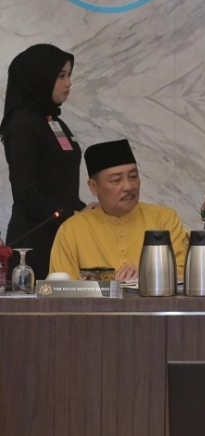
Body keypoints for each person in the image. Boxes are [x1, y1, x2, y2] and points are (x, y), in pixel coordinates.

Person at [1, 44, 87, 278]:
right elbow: (26, 193)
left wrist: (82, 209)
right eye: (61, 76)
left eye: (69, 75)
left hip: (62, 234)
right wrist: (69, 214)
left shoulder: (52, 120)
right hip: (35, 242)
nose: (68, 83)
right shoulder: (22, 125)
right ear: (39, 77)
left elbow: (59, 181)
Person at [49, 139, 188, 280]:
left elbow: (185, 273)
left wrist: (148, 273)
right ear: (94, 187)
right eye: (116, 180)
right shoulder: (72, 230)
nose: (128, 186)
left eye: (133, 176)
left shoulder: (164, 219)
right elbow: (61, 286)